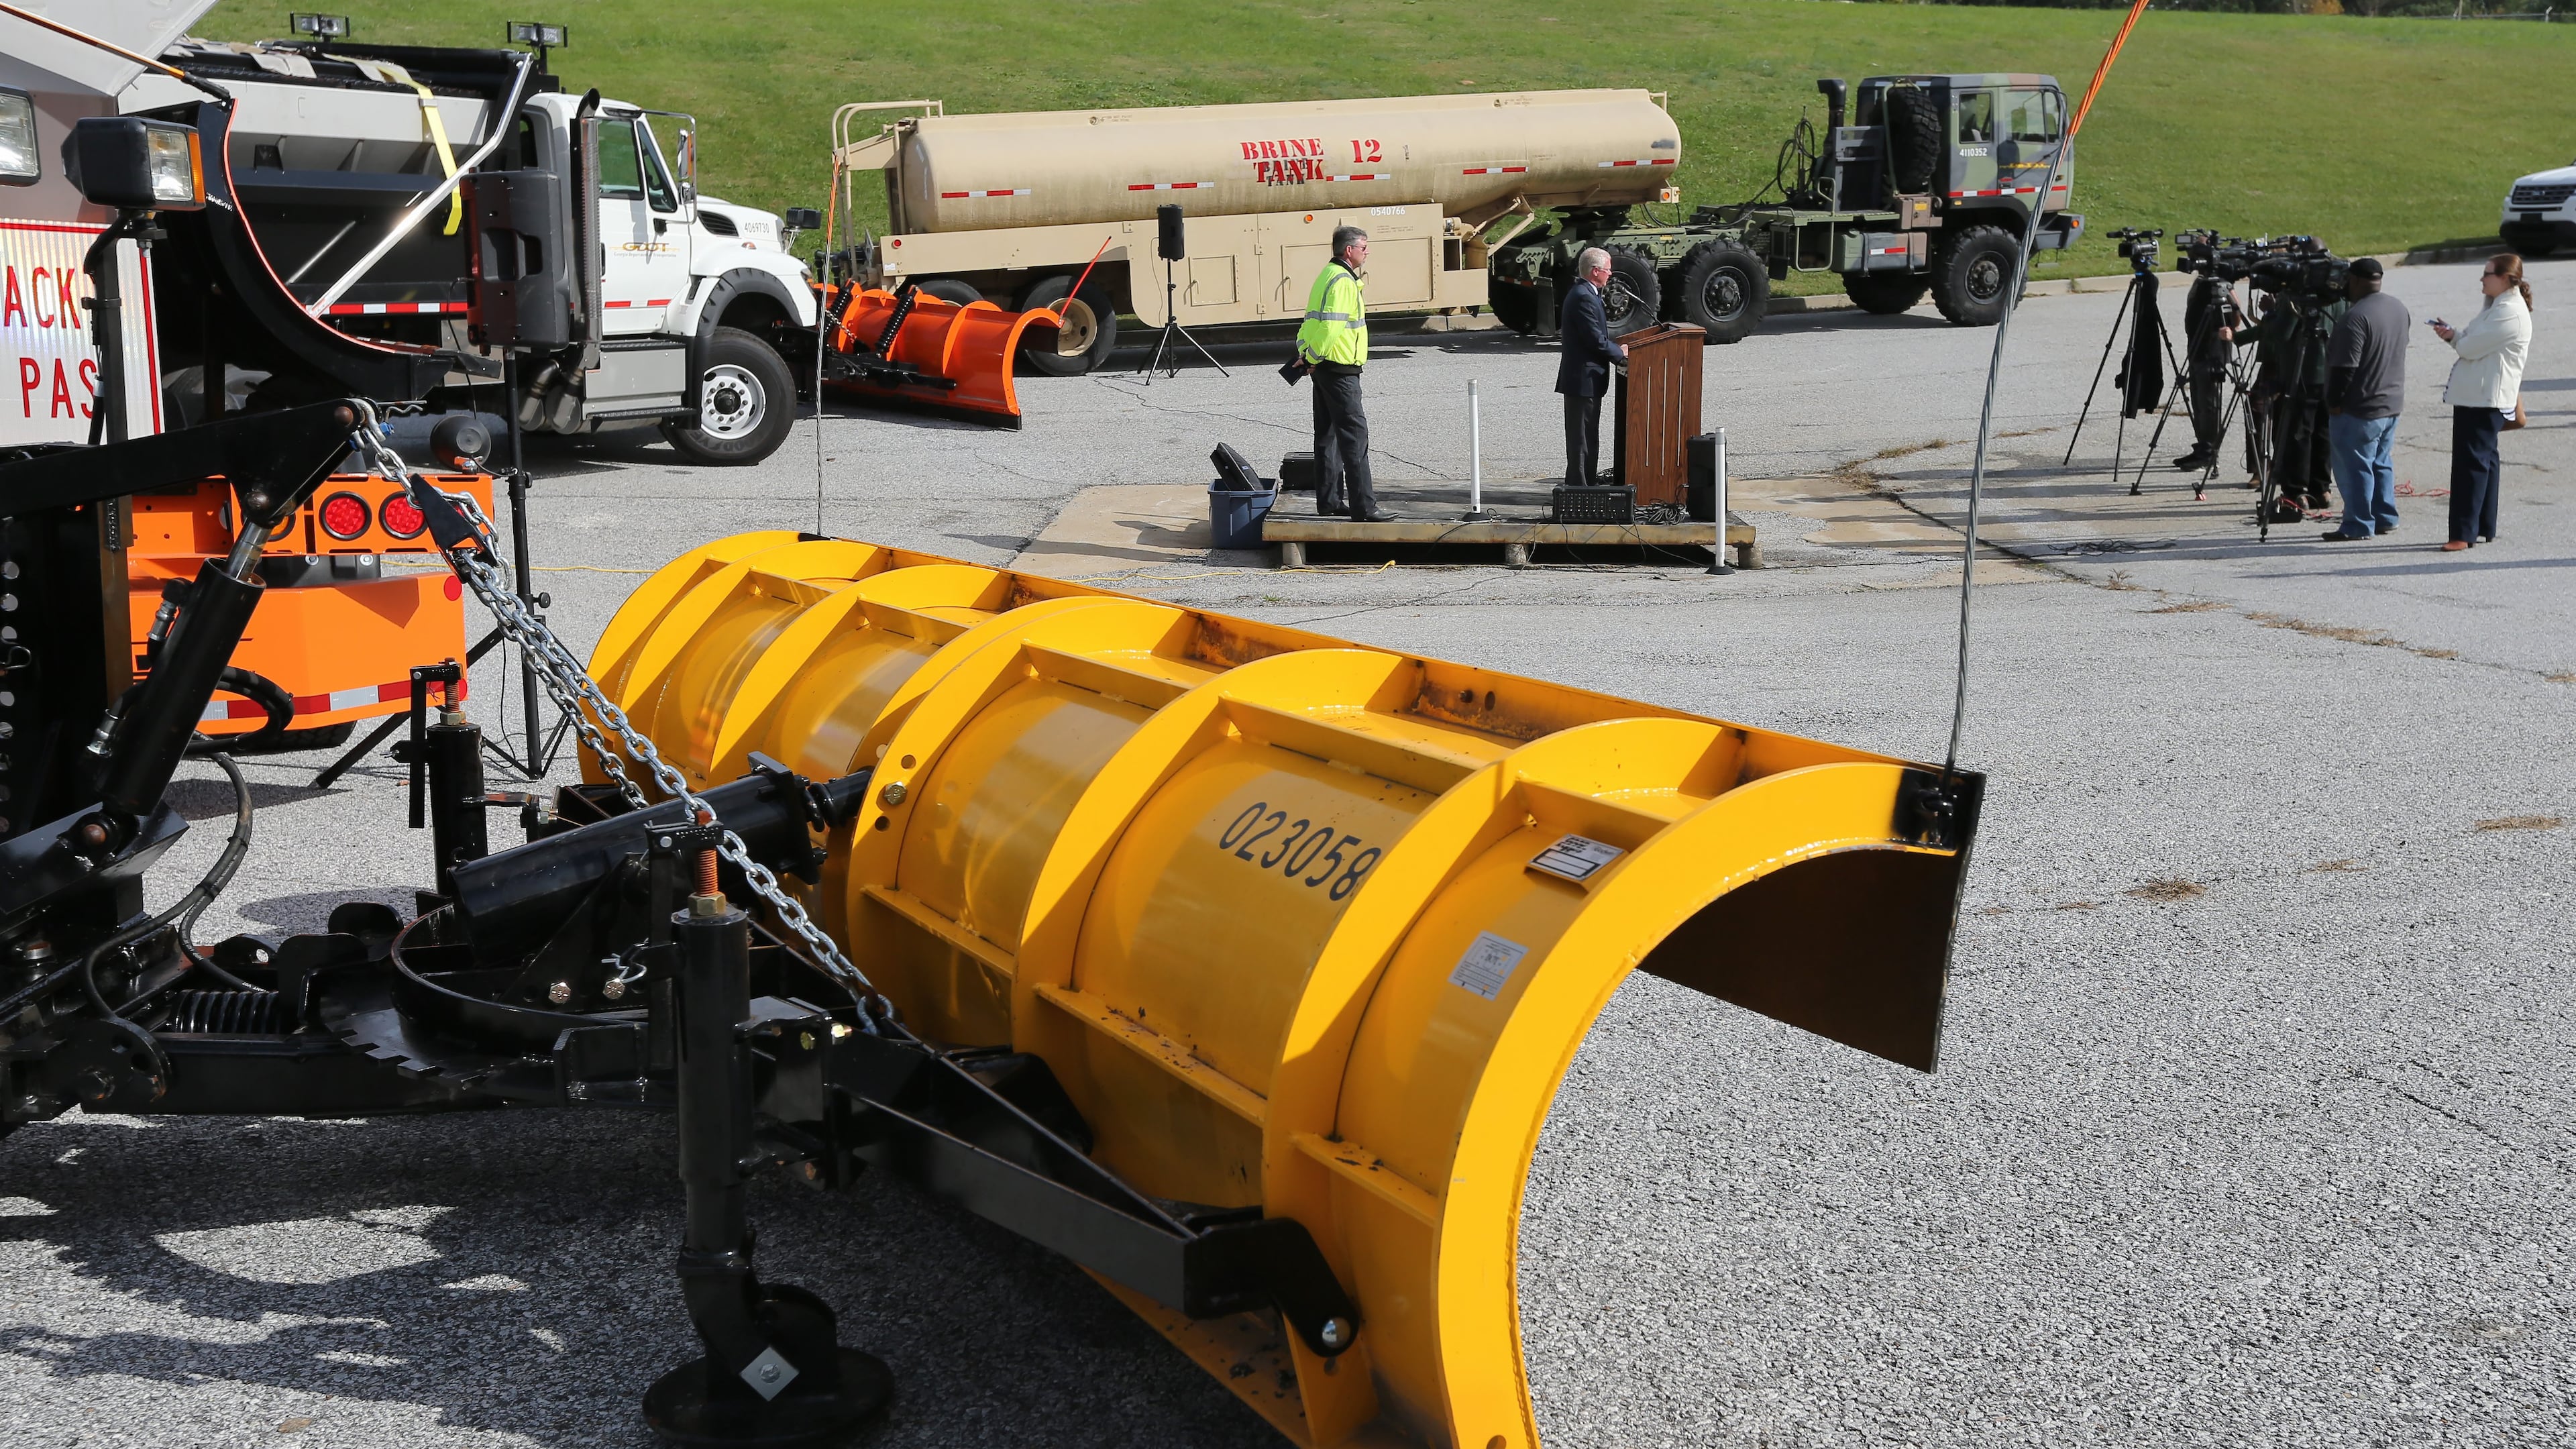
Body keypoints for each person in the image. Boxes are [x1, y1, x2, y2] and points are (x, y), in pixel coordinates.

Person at [2431, 254, 2533, 551]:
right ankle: (2483, 526)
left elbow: (2469, 348)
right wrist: (2453, 334)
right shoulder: (2496, 306)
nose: (2482, 279)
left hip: (2484, 398)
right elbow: (2470, 338)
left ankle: (2463, 534)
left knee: (2470, 465)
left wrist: (2455, 340)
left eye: (2487, 274)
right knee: (2485, 460)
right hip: (2480, 396)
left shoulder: (2509, 312)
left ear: (2506, 279)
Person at [1292, 226, 1388, 521]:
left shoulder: (1326, 275)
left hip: (1323, 368)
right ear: (1349, 250)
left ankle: (1330, 502)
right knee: (1354, 438)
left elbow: (1310, 322)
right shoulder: (1344, 282)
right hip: (1340, 370)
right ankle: (1365, 507)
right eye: (1364, 247)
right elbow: (1331, 328)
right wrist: (1313, 356)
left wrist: (1306, 354)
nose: (1367, 252)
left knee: (1328, 437)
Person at [2320, 257, 2410, 541]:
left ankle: (2358, 524)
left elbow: (2346, 369)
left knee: (2355, 467)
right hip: (2391, 403)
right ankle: (2385, 517)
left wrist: (2334, 402)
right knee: (2380, 462)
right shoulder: (2398, 307)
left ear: (2355, 281)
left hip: (2360, 408)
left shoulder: (2354, 318)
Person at [2237, 286, 2343, 514]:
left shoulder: (2296, 292)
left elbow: (2282, 334)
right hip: (2330, 370)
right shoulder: (2337, 288)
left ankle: (2295, 493)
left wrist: (2271, 313)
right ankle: (2321, 489)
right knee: (2322, 432)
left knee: (2296, 434)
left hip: (2300, 372)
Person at [1554, 247, 1629, 486]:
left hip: (1587, 379)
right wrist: (1619, 353)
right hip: (1582, 380)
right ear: (1595, 271)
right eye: (1607, 270)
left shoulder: (1588, 292)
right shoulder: (1583, 296)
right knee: (1581, 437)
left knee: (1587, 435)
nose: (1610, 274)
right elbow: (1594, 338)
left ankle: (1586, 482)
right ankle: (1579, 486)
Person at [2174, 272, 2241, 471]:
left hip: (2212, 352)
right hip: (2197, 350)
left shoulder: (2221, 282)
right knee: (2199, 405)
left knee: (2210, 405)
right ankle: (2201, 448)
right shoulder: (2202, 281)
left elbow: (2235, 316)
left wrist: (2228, 328)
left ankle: (2210, 452)